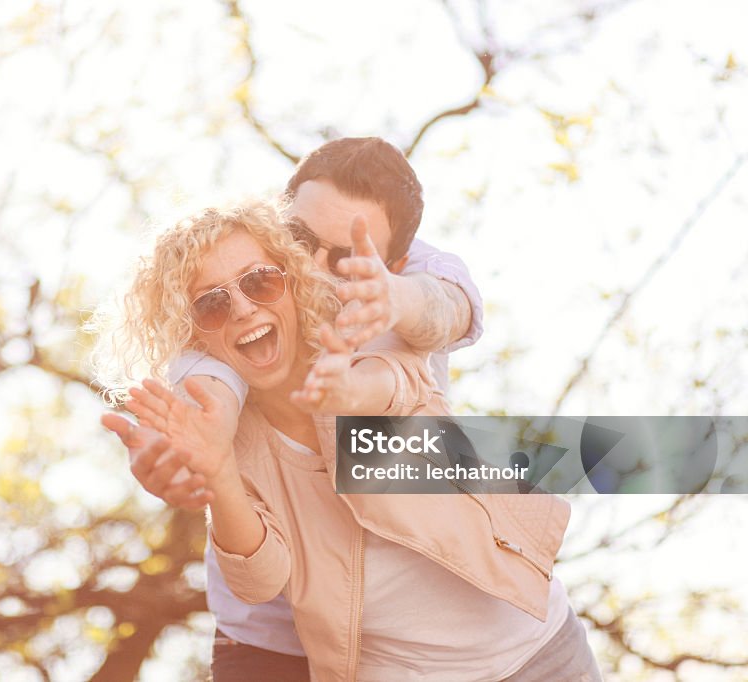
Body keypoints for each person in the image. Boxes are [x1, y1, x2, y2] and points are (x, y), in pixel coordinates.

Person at [100, 200, 601, 681]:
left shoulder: (352, 327)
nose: (243, 309)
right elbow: (260, 580)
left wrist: (350, 391)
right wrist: (219, 474)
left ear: (290, 280)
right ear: (193, 336)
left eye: (259, 281)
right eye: (212, 303)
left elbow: (412, 382)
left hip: (542, 650)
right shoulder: (226, 437)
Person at [106, 137, 485, 680]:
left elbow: (451, 309)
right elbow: (207, 376)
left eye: (347, 260)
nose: (312, 266)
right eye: (300, 237)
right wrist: (182, 452)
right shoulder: (242, 287)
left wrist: (395, 300)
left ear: (395, 262)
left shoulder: (407, 280)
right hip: (267, 637)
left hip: (400, 640)